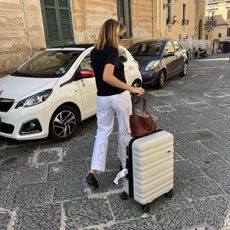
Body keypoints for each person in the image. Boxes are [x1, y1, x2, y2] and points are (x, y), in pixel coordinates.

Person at [86, 19, 145, 188]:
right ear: (114, 34)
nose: (121, 38)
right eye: (120, 35)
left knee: (102, 133)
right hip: (118, 96)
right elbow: (107, 76)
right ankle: (124, 164)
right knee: (124, 130)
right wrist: (131, 88)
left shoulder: (94, 51)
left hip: (102, 98)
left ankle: (93, 171)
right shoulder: (112, 50)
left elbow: (100, 76)